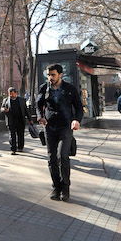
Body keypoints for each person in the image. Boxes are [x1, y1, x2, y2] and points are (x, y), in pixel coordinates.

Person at [36, 64, 84, 202]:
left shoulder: (70, 89)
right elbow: (38, 104)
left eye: (53, 75)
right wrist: (40, 117)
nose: (50, 78)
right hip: (49, 127)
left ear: (60, 74)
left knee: (62, 156)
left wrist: (76, 120)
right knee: (52, 158)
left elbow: (79, 107)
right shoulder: (44, 88)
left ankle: (65, 188)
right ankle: (56, 188)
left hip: (65, 127)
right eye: (48, 75)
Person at [0, 87, 29, 154]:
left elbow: (26, 110)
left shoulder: (21, 100)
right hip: (11, 120)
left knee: (20, 135)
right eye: (10, 94)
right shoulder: (6, 100)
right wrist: (4, 110)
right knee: (12, 135)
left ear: (16, 93)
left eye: (12, 94)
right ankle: (13, 149)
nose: (11, 95)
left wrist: (30, 119)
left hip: (20, 120)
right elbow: (2, 108)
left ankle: (20, 147)